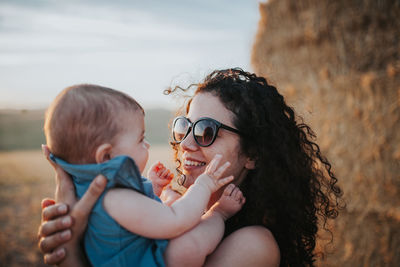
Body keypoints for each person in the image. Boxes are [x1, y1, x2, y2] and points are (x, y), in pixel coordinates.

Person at [38, 69, 343, 266]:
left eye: (207, 131)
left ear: (253, 153)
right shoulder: (170, 205)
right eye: (185, 127)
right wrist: (75, 239)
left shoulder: (253, 246)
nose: (185, 143)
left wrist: (72, 259)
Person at [42, 84, 245, 267]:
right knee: (186, 248)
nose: (184, 144)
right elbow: (174, 220)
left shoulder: (96, 193)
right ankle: (218, 216)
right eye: (141, 139)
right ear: (106, 156)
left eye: (206, 131)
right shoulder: (116, 198)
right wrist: (205, 185)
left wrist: (153, 189)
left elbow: (134, 223)